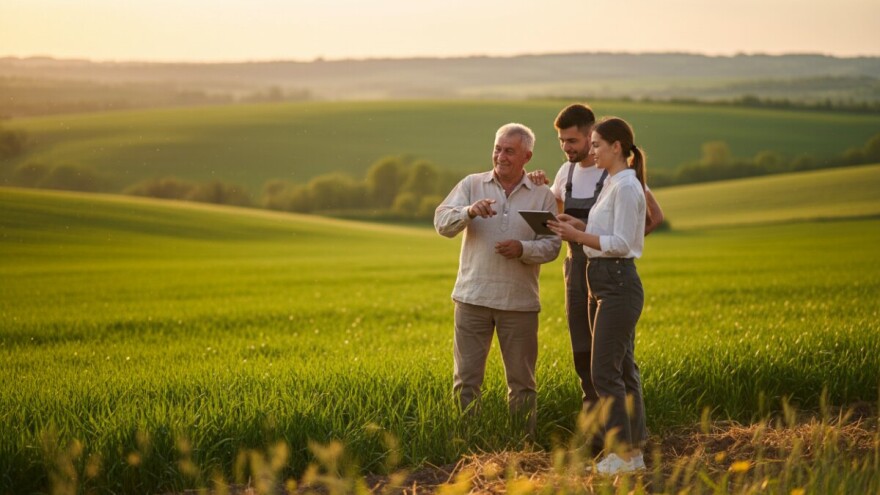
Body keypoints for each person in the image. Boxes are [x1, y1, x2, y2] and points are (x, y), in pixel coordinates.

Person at [529, 104, 662, 441]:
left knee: (615, 363)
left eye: (573, 140)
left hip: (608, 269)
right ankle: (597, 437)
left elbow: (648, 220)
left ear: (594, 137)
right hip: (578, 270)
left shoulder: (620, 179)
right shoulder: (566, 173)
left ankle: (631, 439)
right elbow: (559, 214)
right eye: (562, 141)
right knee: (584, 356)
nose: (568, 148)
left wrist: (612, 249)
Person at [434, 123, 561, 438]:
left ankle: (522, 448)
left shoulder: (542, 195)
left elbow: (552, 246)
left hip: (519, 303)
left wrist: (522, 249)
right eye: (498, 149)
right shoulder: (472, 185)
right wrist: (468, 212)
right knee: (466, 381)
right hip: (471, 298)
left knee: (522, 383)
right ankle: (467, 445)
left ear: (527, 156)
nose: (501, 156)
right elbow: (442, 223)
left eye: (510, 151)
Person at [547, 116, 649, 474]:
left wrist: (578, 237)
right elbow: (604, 230)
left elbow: (621, 243)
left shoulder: (625, 187)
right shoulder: (616, 184)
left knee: (604, 370)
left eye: (596, 146)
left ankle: (622, 454)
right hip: (601, 280)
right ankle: (634, 451)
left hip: (617, 283)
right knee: (619, 368)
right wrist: (578, 225)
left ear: (616, 147)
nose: (591, 152)